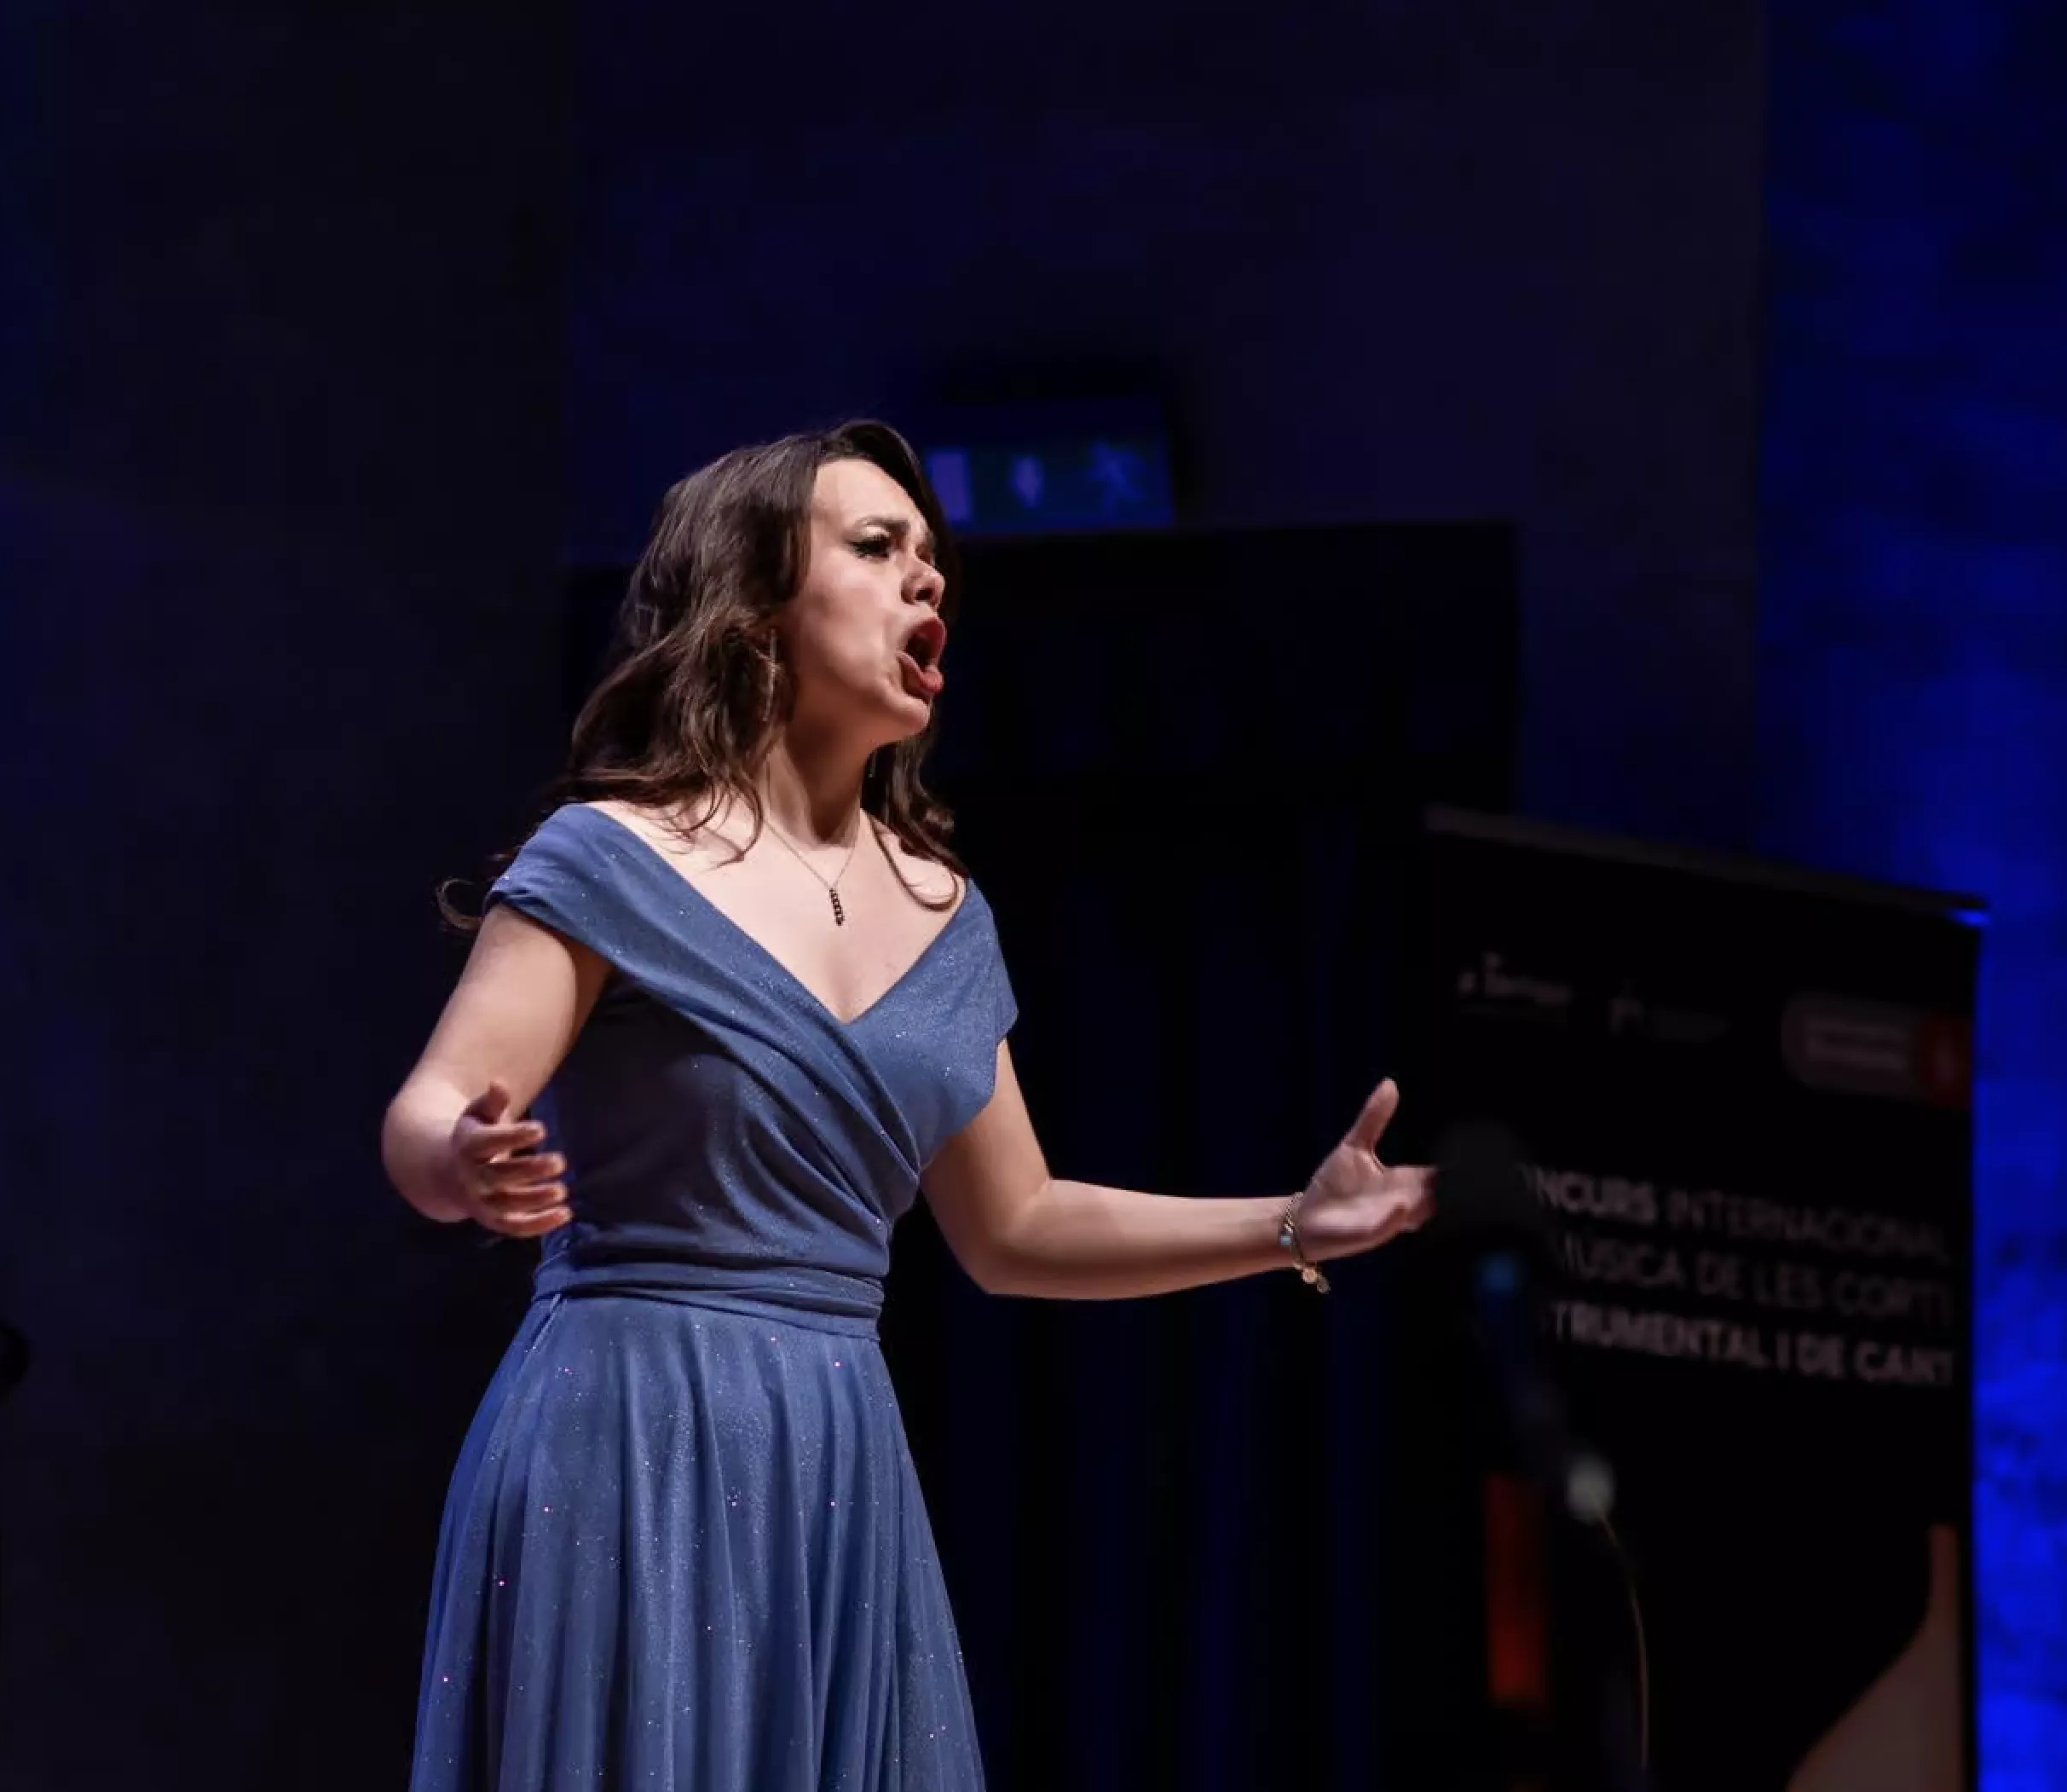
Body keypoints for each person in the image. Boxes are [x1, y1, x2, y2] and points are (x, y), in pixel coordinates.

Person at [381, 421, 1435, 1791]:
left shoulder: (947, 919)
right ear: (754, 604)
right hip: (625, 1437)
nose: (926, 581)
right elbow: (433, 1106)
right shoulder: (613, 854)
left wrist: (1294, 1222)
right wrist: (466, 1157)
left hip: (833, 1460)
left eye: (933, 559)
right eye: (877, 549)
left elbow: (1019, 1226)